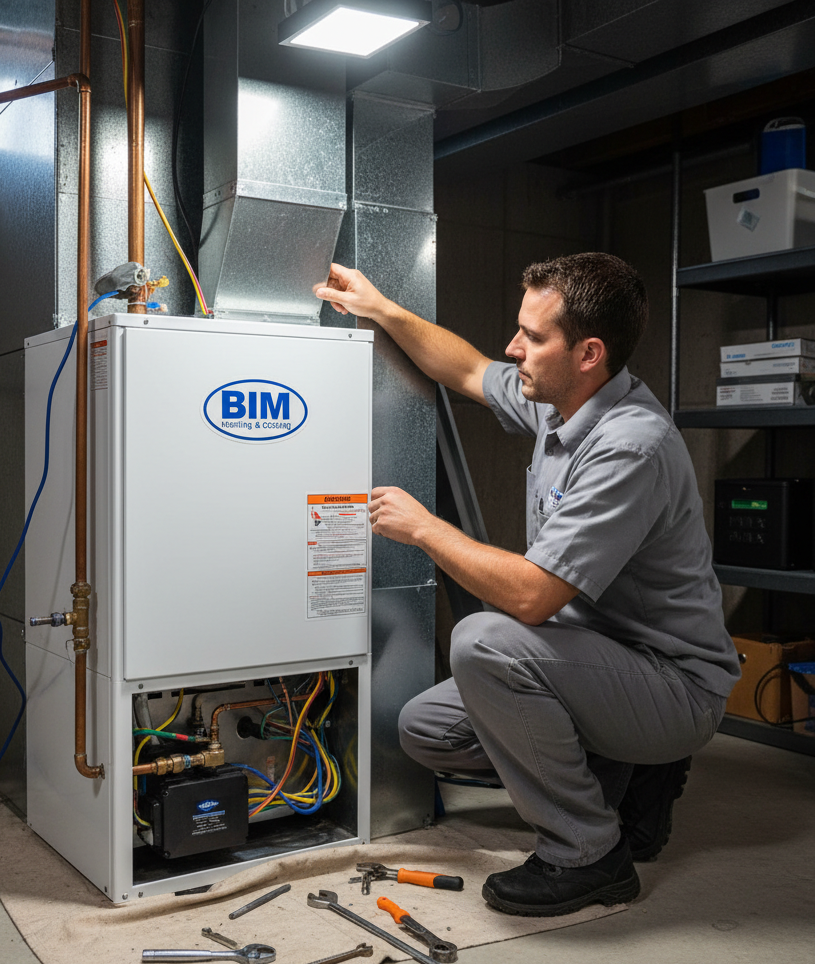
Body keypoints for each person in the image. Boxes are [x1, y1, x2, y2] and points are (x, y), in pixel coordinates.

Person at [314, 253, 740, 917]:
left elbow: (531, 598)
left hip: (670, 682)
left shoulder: (630, 446)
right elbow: (464, 368)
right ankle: (624, 775)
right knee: (427, 729)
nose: (514, 348)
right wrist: (381, 309)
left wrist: (424, 529)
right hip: (593, 657)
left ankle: (588, 853)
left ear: (589, 353)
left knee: (482, 641)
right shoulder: (561, 402)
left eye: (533, 337)